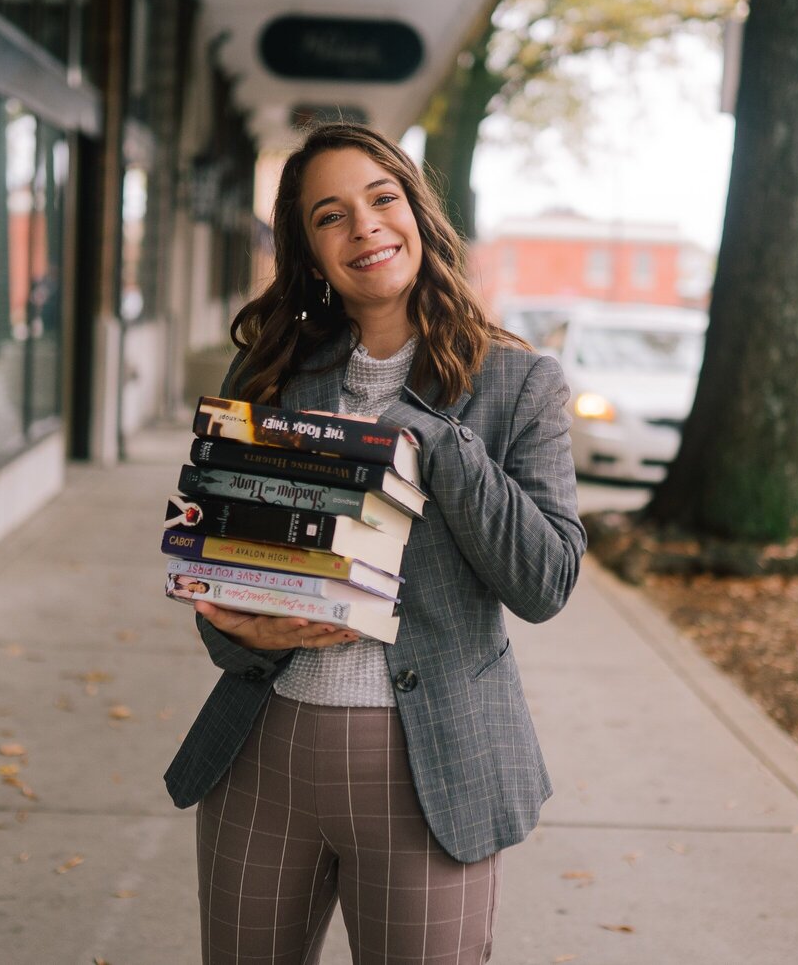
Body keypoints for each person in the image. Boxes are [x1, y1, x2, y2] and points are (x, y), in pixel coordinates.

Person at [164, 123, 586, 965]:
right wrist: (234, 629)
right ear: (310, 251)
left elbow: (545, 581)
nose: (365, 227)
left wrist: (431, 438)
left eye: (381, 199)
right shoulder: (272, 376)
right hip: (267, 752)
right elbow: (215, 566)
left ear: (418, 215)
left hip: (431, 770)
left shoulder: (518, 384)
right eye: (331, 215)